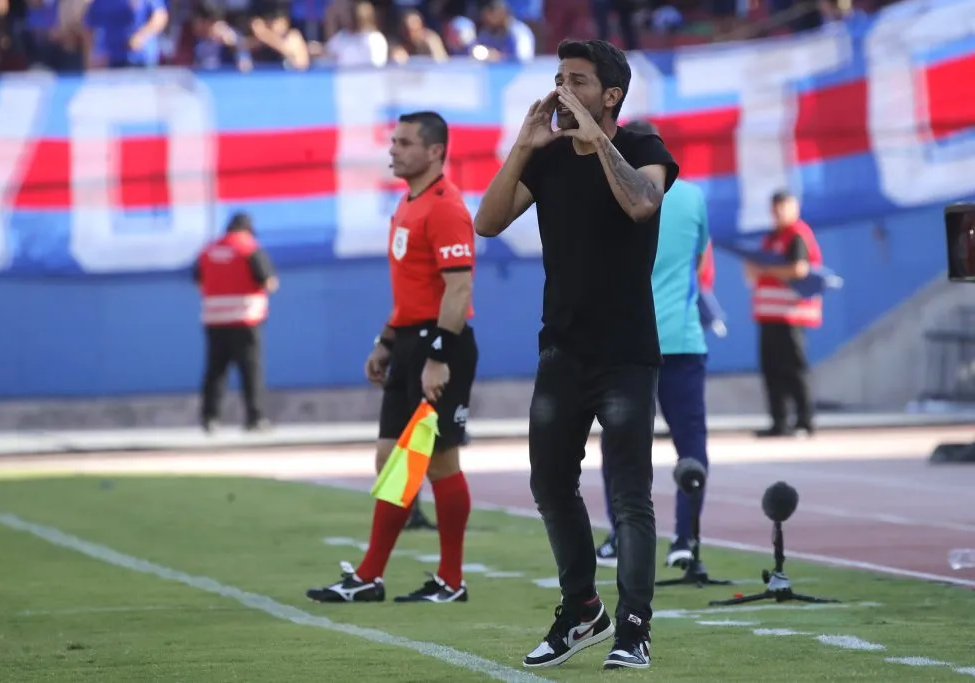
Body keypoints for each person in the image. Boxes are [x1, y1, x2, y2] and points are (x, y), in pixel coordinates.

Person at [475, 39, 679, 671]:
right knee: (549, 484)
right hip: (561, 349)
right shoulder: (550, 158)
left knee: (629, 496)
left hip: (625, 351)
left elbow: (642, 203)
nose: (562, 88)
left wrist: (597, 140)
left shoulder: (644, 149)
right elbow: (486, 222)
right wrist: (524, 145)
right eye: (558, 77)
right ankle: (582, 609)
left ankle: (634, 629)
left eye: (578, 80)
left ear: (609, 94)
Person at [307, 111, 479, 605]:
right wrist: (386, 340)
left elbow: (459, 287)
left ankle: (448, 580)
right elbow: (414, 289)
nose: (393, 150)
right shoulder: (408, 204)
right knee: (390, 458)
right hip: (409, 343)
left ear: (434, 152)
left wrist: (438, 356)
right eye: (393, 142)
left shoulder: (446, 207)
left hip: (439, 346)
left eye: (404, 143)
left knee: (440, 462)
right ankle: (372, 576)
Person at [594, 122, 711, 573]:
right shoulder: (693, 196)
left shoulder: (609, 189)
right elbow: (699, 258)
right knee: (690, 444)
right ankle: (685, 540)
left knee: (621, 444)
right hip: (681, 338)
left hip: (627, 338)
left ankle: (620, 535)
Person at [746, 190, 823, 438]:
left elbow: (799, 269)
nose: (779, 213)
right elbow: (753, 274)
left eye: (783, 207)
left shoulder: (797, 235)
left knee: (794, 369)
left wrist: (768, 269)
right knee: (772, 370)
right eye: (775, 208)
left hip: (791, 315)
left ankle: (804, 419)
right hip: (768, 316)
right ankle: (779, 421)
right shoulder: (770, 238)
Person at [194, 212, 278, 432]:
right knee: (250, 371)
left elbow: (198, 279)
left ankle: (209, 418)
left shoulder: (209, 250)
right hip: (245, 320)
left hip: (215, 320)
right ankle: (255, 418)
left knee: (215, 371)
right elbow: (267, 281)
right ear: (247, 229)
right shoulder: (249, 248)